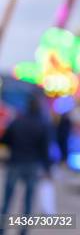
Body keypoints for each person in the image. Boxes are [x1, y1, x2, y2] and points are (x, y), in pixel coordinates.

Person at [0, 96, 51, 235]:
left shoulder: (17, 121)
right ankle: (23, 231)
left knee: (7, 200)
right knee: (28, 202)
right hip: (32, 165)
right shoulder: (42, 124)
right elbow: (45, 149)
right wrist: (47, 169)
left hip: (15, 162)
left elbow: (5, 140)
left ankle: (2, 229)